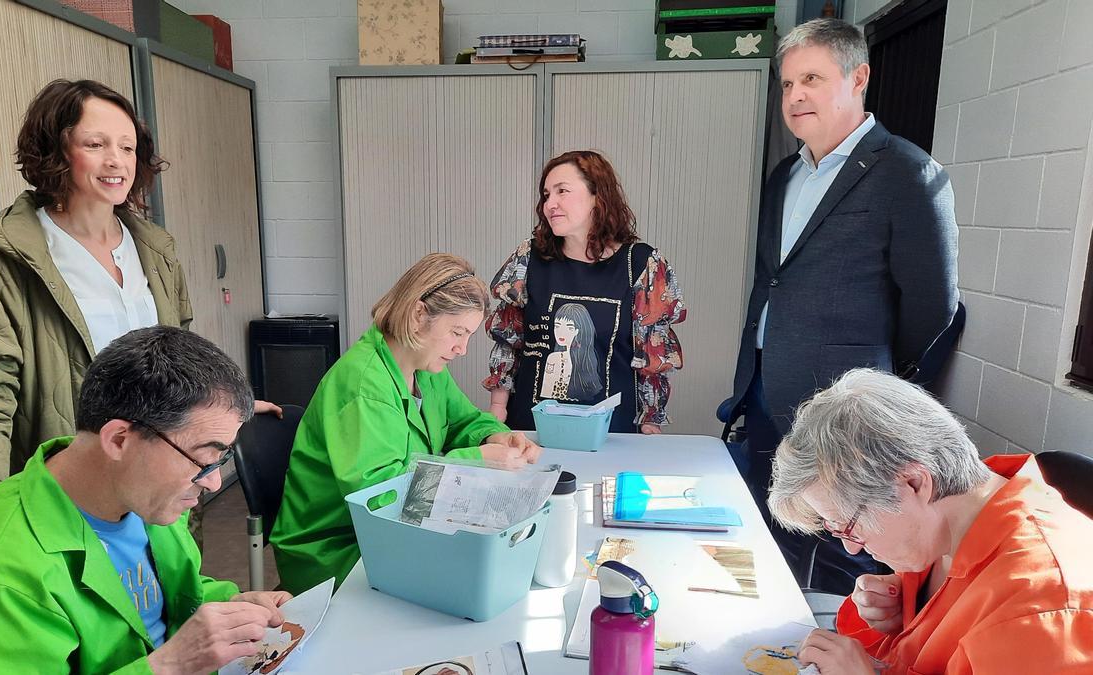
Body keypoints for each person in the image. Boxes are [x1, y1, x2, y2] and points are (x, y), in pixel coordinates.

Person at [0, 79, 277, 520]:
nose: (117, 161)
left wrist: (220, 406)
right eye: (96, 144)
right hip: (72, 489)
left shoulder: (155, 250)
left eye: (127, 148)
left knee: (166, 586)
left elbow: (177, 359)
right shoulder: (14, 259)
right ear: (57, 152)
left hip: (160, 481)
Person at [721, 19, 959, 593]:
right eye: (786, 84)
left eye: (811, 78)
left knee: (838, 553)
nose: (795, 94)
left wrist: (873, 379)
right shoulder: (785, 176)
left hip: (848, 408)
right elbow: (771, 282)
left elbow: (933, 307)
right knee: (768, 539)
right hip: (763, 388)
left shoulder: (906, 172)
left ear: (859, 78)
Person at [0, 326, 292, 674]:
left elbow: (162, 599)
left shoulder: (144, 500)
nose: (212, 483)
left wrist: (237, 605)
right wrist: (170, 665)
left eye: (221, 457)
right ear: (119, 440)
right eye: (203, 458)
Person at [767, 369, 1093, 675]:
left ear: (914, 483)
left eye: (849, 525)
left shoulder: (1041, 611)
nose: (851, 548)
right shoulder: (947, 523)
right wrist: (888, 622)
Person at [270, 253, 542, 595]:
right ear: (418, 316)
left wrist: (497, 436)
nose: (462, 349)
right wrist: (477, 461)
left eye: (469, 335)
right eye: (457, 332)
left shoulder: (424, 368)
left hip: (391, 534)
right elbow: (380, 497)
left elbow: (464, 419)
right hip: (335, 553)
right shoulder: (364, 385)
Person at [485, 150, 686, 434]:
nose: (549, 204)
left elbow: (654, 353)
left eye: (562, 191)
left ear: (597, 197)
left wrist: (650, 421)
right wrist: (497, 409)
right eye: (546, 195)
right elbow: (509, 339)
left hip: (611, 434)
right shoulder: (529, 259)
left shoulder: (640, 264)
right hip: (533, 431)